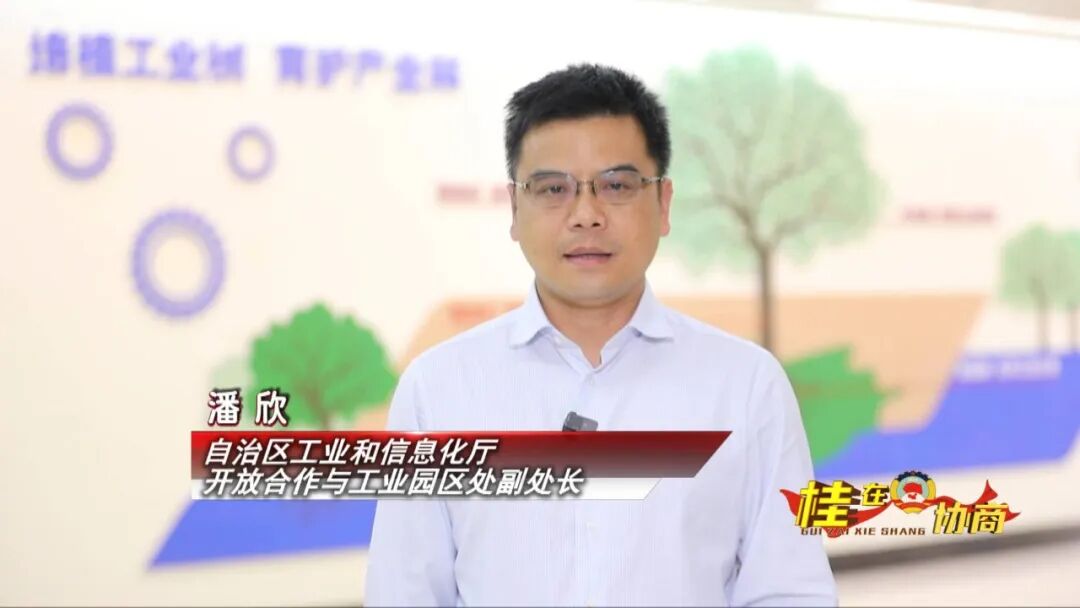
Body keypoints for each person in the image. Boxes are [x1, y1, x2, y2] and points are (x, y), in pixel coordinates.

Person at [364, 64, 837, 607]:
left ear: (663, 203)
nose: (586, 215)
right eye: (553, 189)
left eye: (616, 186)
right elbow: (404, 593)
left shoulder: (747, 386)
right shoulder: (437, 390)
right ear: (514, 208)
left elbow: (789, 591)